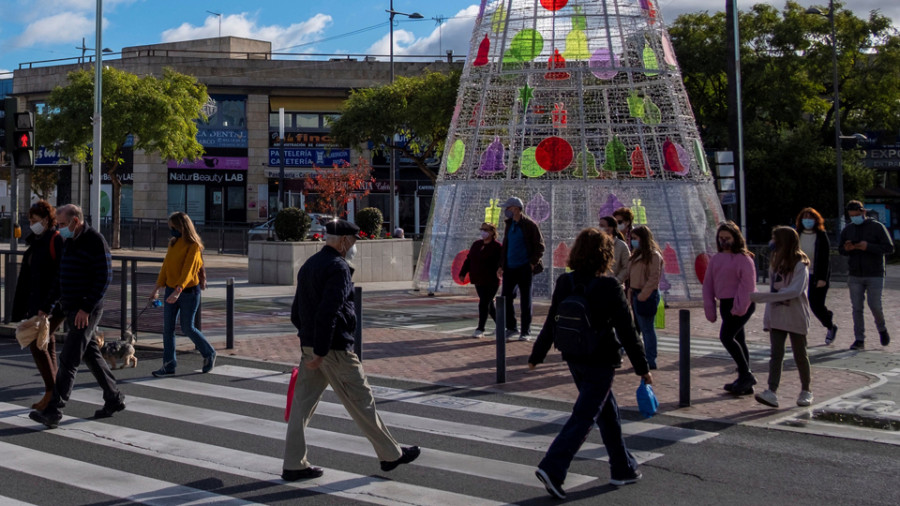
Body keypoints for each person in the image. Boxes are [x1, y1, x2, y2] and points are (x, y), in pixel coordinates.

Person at [282, 219, 419, 481]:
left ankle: (293, 464)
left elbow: (296, 311)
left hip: (312, 347)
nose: (355, 246)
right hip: (333, 349)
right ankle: (390, 455)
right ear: (344, 241)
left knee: (301, 407)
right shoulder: (338, 267)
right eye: (354, 241)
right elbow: (329, 311)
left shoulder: (310, 263)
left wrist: (308, 342)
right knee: (361, 399)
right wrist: (322, 349)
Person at [528, 228, 652, 499]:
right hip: (601, 359)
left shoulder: (565, 282)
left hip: (573, 356)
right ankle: (553, 466)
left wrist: (537, 356)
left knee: (607, 412)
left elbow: (551, 322)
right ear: (605, 255)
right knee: (585, 415)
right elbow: (628, 332)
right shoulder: (610, 287)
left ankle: (622, 467)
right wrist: (643, 369)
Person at [29, 204, 124, 429]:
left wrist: (86, 308)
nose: (59, 229)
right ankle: (114, 398)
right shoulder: (69, 241)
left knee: (69, 359)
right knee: (91, 355)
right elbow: (61, 277)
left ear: (75, 221)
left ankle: (54, 410)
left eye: (62, 224)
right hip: (72, 308)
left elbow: (104, 277)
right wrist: (47, 306)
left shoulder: (95, 240)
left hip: (86, 310)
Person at [750, 226, 813, 408]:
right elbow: (772, 287)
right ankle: (772, 390)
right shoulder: (775, 262)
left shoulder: (800, 264)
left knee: (800, 353)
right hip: (777, 314)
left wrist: (765, 297)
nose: (772, 243)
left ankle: (806, 389)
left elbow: (795, 290)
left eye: (775, 239)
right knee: (776, 354)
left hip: (795, 314)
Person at [12, 201, 65, 411]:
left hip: (53, 305)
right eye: (29, 220)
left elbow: (60, 274)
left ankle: (52, 393)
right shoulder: (38, 240)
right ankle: (53, 390)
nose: (31, 224)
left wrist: (47, 304)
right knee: (46, 344)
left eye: (34, 220)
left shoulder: (55, 239)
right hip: (41, 303)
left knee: (36, 343)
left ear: (45, 219)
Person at [150, 212, 216, 376]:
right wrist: (157, 288)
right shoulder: (173, 243)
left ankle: (209, 353)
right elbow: (165, 267)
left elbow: (188, 271)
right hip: (171, 290)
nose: (171, 230)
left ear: (181, 227)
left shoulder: (193, 246)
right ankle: (169, 365)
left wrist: (178, 290)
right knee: (168, 329)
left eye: (172, 227)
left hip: (188, 292)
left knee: (187, 327)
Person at [702, 221, 758, 395]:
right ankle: (744, 380)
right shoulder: (716, 258)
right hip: (725, 303)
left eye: (727, 238)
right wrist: (710, 307)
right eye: (721, 238)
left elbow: (748, 284)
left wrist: (740, 307)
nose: (724, 241)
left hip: (742, 303)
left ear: (736, 238)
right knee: (738, 339)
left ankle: (746, 375)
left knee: (726, 337)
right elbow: (708, 283)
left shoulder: (743, 258)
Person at [839, 200, 895, 349]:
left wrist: (868, 246)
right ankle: (859, 339)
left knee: (875, 305)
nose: (854, 218)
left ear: (863, 212)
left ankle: (882, 329)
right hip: (855, 274)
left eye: (857, 215)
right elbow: (841, 249)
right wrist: (847, 248)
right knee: (856, 308)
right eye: (851, 216)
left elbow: (889, 248)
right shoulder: (848, 229)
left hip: (874, 273)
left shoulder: (877, 227)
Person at [498, 196, 545, 342]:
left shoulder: (529, 225)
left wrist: (531, 263)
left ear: (516, 208)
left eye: (509, 208)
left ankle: (525, 331)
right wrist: (501, 265)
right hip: (510, 268)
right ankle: (511, 327)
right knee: (505, 298)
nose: (506, 210)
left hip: (524, 267)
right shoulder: (509, 224)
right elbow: (506, 246)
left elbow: (540, 246)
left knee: (525, 300)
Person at [795, 207, 837, 344]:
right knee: (798, 306)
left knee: (816, 305)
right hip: (800, 274)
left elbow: (825, 259)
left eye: (810, 218)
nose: (807, 221)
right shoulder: (796, 234)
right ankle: (800, 336)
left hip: (816, 275)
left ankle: (829, 324)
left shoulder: (821, 235)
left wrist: (822, 278)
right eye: (805, 218)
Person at [626, 226, 664, 370]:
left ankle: (650, 359)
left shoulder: (653, 255)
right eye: (632, 238)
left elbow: (654, 278)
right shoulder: (635, 254)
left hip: (646, 294)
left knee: (647, 328)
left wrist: (644, 294)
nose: (633, 241)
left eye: (635, 238)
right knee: (640, 327)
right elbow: (628, 273)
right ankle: (642, 357)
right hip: (635, 293)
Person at [459, 222, 503, 338]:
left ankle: (480, 329)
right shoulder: (476, 245)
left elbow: (502, 261)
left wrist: (500, 268)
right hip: (478, 279)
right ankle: (501, 325)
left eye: (486, 230)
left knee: (484, 302)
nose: (483, 232)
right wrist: (463, 272)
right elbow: (469, 260)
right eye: (482, 229)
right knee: (488, 304)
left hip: (492, 279)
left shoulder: (497, 247)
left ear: (492, 232)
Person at [598, 216, 629, 283]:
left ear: (610, 228)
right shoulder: (596, 244)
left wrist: (617, 280)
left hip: (614, 286)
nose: (600, 228)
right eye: (599, 225)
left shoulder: (621, 246)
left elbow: (627, 267)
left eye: (602, 226)